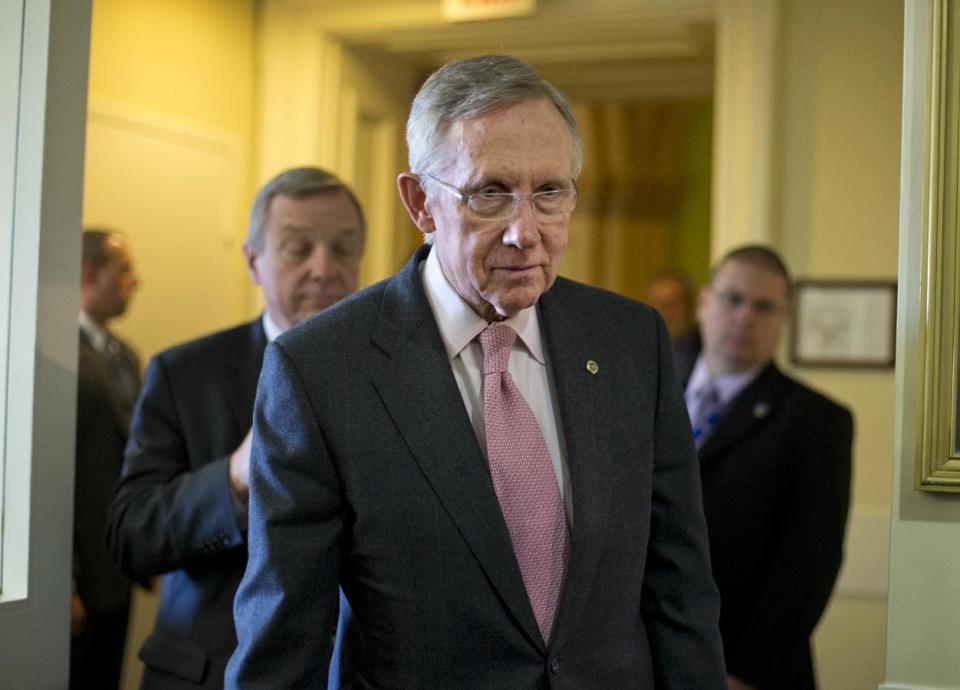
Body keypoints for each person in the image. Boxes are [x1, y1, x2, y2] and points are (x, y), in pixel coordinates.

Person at [227, 55, 726, 689]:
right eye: (490, 193)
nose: (526, 231)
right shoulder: (321, 370)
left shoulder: (632, 342)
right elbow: (284, 644)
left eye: (550, 192)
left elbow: (679, 591)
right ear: (420, 203)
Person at [107, 167, 365, 689]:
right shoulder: (183, 375)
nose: (324, 268)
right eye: (299, 248)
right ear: (253, 260)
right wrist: (234, 477)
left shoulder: (395, 374)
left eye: (343, 248)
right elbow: (131, 535)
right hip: (212, 671)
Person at [681, 245, 853, 690]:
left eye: (764, 306)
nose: (744, 317)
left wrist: (746, 671)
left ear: (783, 321)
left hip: (745, 667)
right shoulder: (647, 387)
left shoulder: (816, 422)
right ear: (704, 302)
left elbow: (808, 563)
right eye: (732, 299)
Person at [73, 229, 141, 689]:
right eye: (124, 270)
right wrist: (65, 582)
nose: (135, 281)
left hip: (118, 570)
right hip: (78, 579)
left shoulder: (126, 357)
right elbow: (55, 477)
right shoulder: (61, 354)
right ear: (89, 275)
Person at [647, 268, 700, 374]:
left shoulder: (707, 350)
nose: (662, 313)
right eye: (655, 305)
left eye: (671, 305)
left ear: (690, 306)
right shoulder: (637, 350)